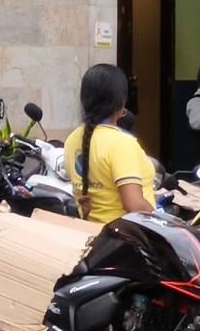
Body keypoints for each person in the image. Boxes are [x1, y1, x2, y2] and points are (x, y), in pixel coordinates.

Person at [64, 64, 155, 225]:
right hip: (125, 239)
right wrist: (165, 222)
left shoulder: (72, 139)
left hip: (90, 233)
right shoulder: (122, 143)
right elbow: (134, 205)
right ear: (121, 101)